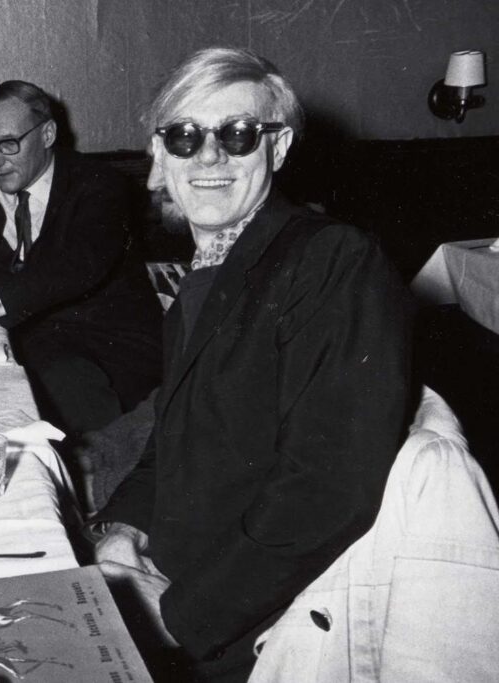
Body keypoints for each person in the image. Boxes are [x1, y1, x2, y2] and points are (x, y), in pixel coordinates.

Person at [91, 48, 415, 681]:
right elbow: (173, 436)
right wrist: (125, 524)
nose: (209, 157)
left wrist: (180, 616)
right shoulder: (207, 270)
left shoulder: (332, 261)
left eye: (238, 134)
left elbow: (328, 487)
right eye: (185, 136)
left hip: (262, 624)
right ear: (159, 155)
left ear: (280, 145)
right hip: (182, 569)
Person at [0, 80, 163, 437]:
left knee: (57, 382)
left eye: (9, 144)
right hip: (31, 341)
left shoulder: (100, 186)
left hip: (109, 347)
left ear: (47, 135)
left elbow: (75, 266)